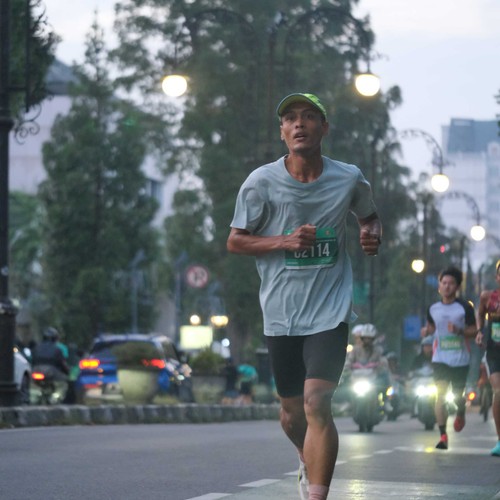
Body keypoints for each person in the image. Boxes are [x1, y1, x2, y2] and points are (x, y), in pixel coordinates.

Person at [227, 92, 381, 500]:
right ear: (282, 131)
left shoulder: (348, 178)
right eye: (290, 118)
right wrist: (285, 241)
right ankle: (304, 454)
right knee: (292, 413)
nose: (299, 124)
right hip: (281, 312)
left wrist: (370, 234)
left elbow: (369, 216)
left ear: (323, 128)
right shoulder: (260, 182)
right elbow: (236, 241)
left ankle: (316, 494)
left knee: (317, 401)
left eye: (309, 116)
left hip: (330, 310)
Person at [421, 266, 477, 450]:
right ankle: (443, 435)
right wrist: (426, 331)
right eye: (443, 283)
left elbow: (474, 330)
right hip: (440, 358)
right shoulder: (433, 308)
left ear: (457, 287)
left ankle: (461, 411)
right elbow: (431, 328)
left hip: (460, 359)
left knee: (458, 396)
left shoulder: (464, 307)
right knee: (441, 394)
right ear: (439, 286)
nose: (447, 286)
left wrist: (460, 330)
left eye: (451, 283)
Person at [475, 259, 500, 456]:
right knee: (498, 391)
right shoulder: (487, 297)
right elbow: (480, 313)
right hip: (494, 351)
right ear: (497, 277)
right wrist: (479, 331)